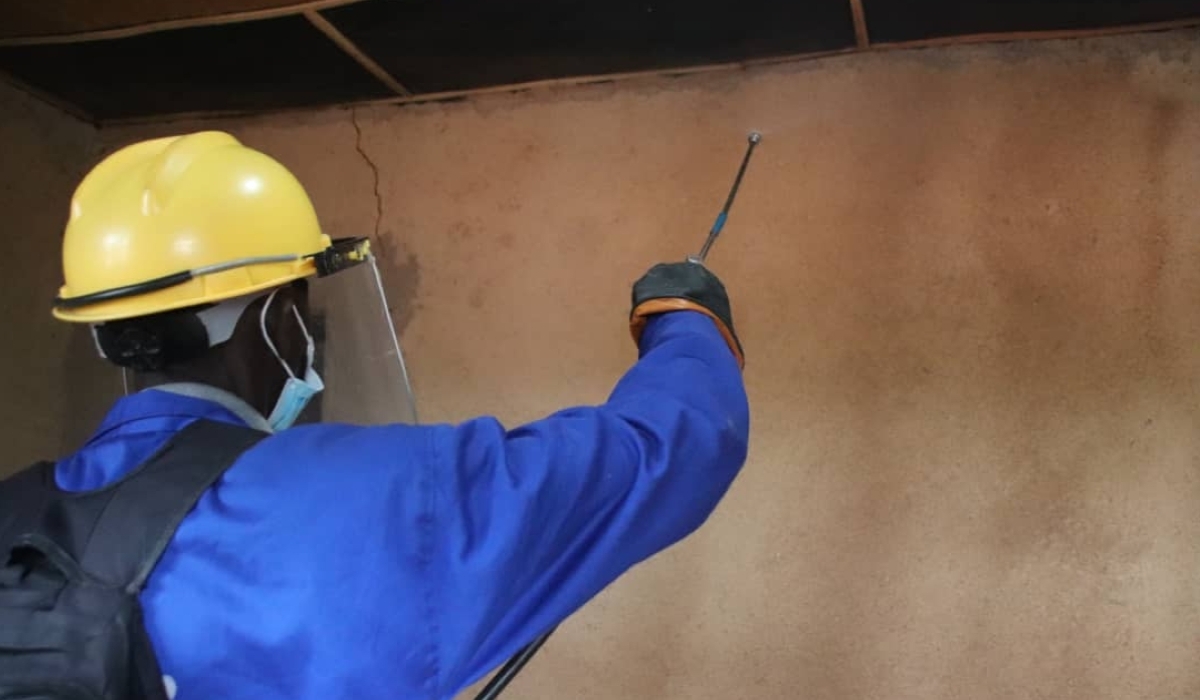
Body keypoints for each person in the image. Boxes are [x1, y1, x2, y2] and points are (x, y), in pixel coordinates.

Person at [0, 131, 749, 699]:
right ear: (276, 321)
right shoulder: (389, 497)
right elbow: (666, 447)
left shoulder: (16, 516)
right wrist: (681, 315)